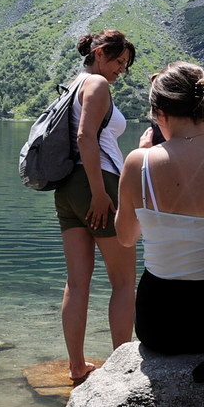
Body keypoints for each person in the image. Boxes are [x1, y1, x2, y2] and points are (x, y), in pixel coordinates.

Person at [114, 63, 204, 357]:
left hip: (160, 325)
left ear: (161, 114)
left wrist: (143, 155)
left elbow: (126, 238)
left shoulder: (137, 162)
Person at [53, 29, 138, 383]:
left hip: (67, 187)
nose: (122, 70)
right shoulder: (97, 85)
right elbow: (86, 137)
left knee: (77, 282)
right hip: (97, 182)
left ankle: (76, 366)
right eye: (119, 62)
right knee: (123, 281)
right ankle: (122, 372)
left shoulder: (73, 84)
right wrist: (101, 194)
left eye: (126, 66)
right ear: (100, 53)